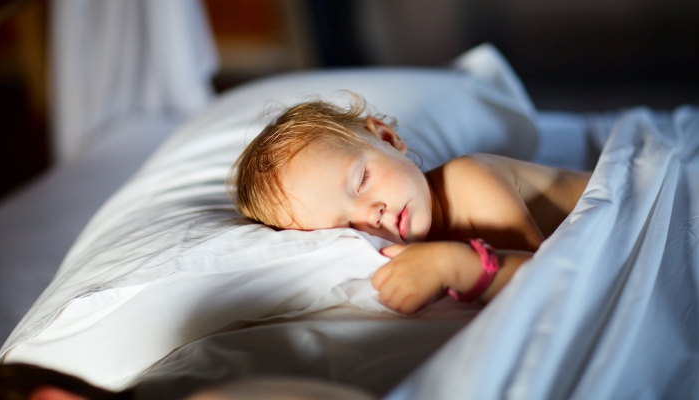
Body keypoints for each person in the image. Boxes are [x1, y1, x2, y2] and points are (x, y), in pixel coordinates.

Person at [229, 93, 591, 314]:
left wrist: (455, 265)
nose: (370, 215)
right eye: (347, 227)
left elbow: (547, 279)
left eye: (362, 181)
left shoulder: (470, 180)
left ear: (387, 137)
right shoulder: (406, 241)